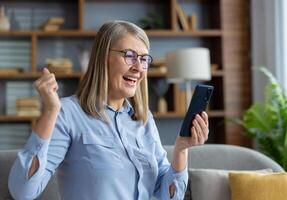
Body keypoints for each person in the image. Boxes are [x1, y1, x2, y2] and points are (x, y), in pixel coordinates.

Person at [8, 21, 209, 200]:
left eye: (144, 59)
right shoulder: (67, 114)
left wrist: (182, 149)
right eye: (129, 56)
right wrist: (50, 111)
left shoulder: (143, 119)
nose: (138, 68)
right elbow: (23, 192)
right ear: (102, 58)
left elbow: (168, 196)